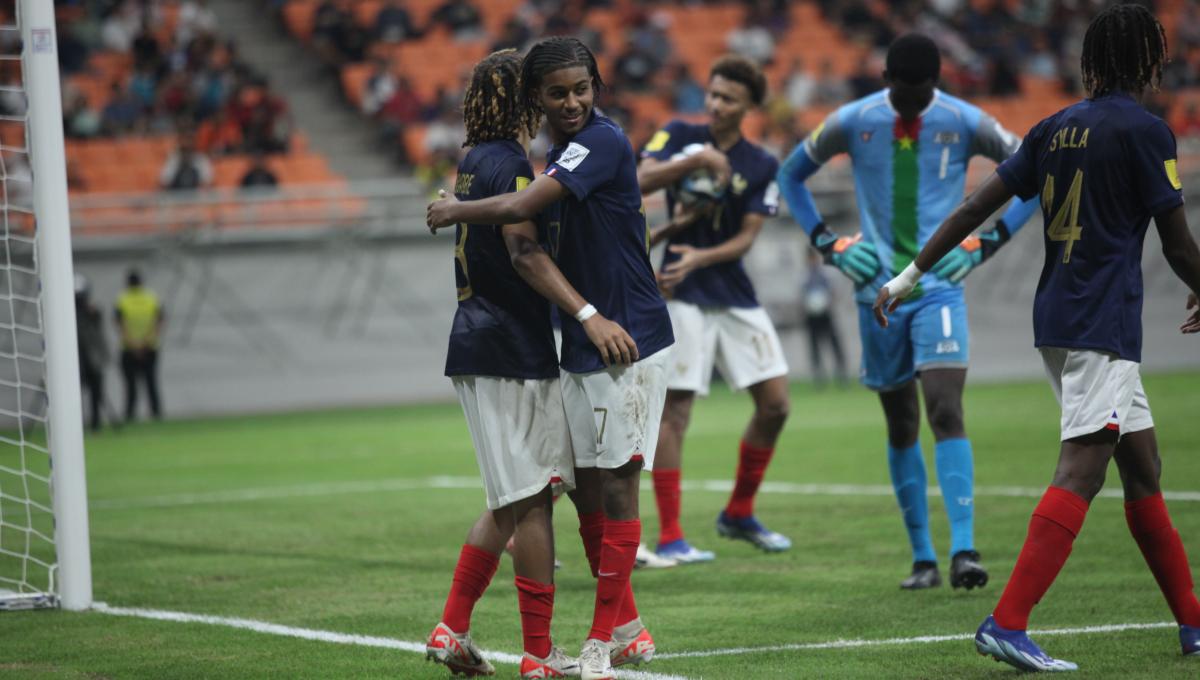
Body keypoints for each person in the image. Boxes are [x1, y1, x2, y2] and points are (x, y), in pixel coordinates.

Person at [875, 4, 1200, 671]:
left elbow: (973, 207)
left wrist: (908, 274)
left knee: (1142, 468)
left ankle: (1194, 623)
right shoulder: (1148, 132)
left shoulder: (1053, 127)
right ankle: (1007, 621)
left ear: (1091, 63)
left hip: (1057, 315)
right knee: (1083, 466)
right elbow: (1178, 245)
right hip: (1102, 322)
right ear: (1147, 61)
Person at [428, 36, 674, 680]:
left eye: (578, 89)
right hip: (517, 347)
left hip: (518, 344)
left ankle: (622, 629)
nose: (565, 102)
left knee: (549, 492)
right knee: (535, 495)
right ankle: (543, 652)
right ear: (525, 96)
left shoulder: (482, 161)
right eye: (551, 92)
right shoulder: (512, 164)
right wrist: (591, 313)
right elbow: (525, 249)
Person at [776, 33, 1039, 590]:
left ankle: (964, 550)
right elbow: (789, 175)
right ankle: (922, 557)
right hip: (877, 291)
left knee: (946, 409)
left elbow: (1036, 177)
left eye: (927, 92)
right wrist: (829, 244)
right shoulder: (853, 120)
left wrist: (985, 245)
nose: (919, 102)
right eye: (908, 93)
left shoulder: (966, 121)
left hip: (940, 287)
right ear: (889, 83)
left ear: (935, 82)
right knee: (901, 422)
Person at [636, 54, 790, 564]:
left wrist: (702, 253)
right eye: (713, 93)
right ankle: (672, 535)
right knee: (676, 411)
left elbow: (747, 237)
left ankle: (739, 512)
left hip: (731, 290)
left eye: (728, 98)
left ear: (748, 107)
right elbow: (639, 179)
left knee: (775, 404)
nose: (715, 104)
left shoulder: (761, 163)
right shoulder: (679, 134)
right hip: (679, 290)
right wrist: (695, 162)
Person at [114, 269, 164, 422]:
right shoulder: (151, 297)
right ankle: (156, 414)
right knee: (151, 383)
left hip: (129, 349)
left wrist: (134, 344)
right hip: (150, 347)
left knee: (131, 385)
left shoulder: (122, 299)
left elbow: (120, 325)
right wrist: (146, 341)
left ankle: (130, 415)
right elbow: (159, 322)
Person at [802, 247, 848, 388]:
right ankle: (819, 378)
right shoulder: (804, 277)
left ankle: (841, 376)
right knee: (814, 347)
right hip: (811, 316)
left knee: (834, 345)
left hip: (826, 314)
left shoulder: (825, 275)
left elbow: (834, 292)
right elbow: (800, 296)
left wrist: (828, 302)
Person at [75, 274, 109, 432]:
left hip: (91, 358)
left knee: (96, 390)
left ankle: (96, 423)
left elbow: (97, 334)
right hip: (76, 359)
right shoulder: (65, 315)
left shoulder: (93, 313)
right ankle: (74, 425)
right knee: (72, 393)